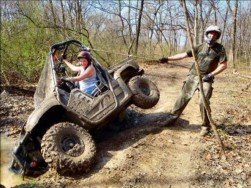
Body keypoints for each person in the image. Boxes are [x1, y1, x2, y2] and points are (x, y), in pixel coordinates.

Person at [159, 25, 228, 136]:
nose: (212, 35)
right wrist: (168, 58)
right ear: (207, 34)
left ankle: (205, 126)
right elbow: (184, 55)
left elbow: (223, 65)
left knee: (203, 101)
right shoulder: (199, 47)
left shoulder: (220, 49)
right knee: (182, 98)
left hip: (206, 79)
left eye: (215, 34)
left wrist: (211, 74)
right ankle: (172, 118)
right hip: (193, 76)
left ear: (217, 36)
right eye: (211, 33)